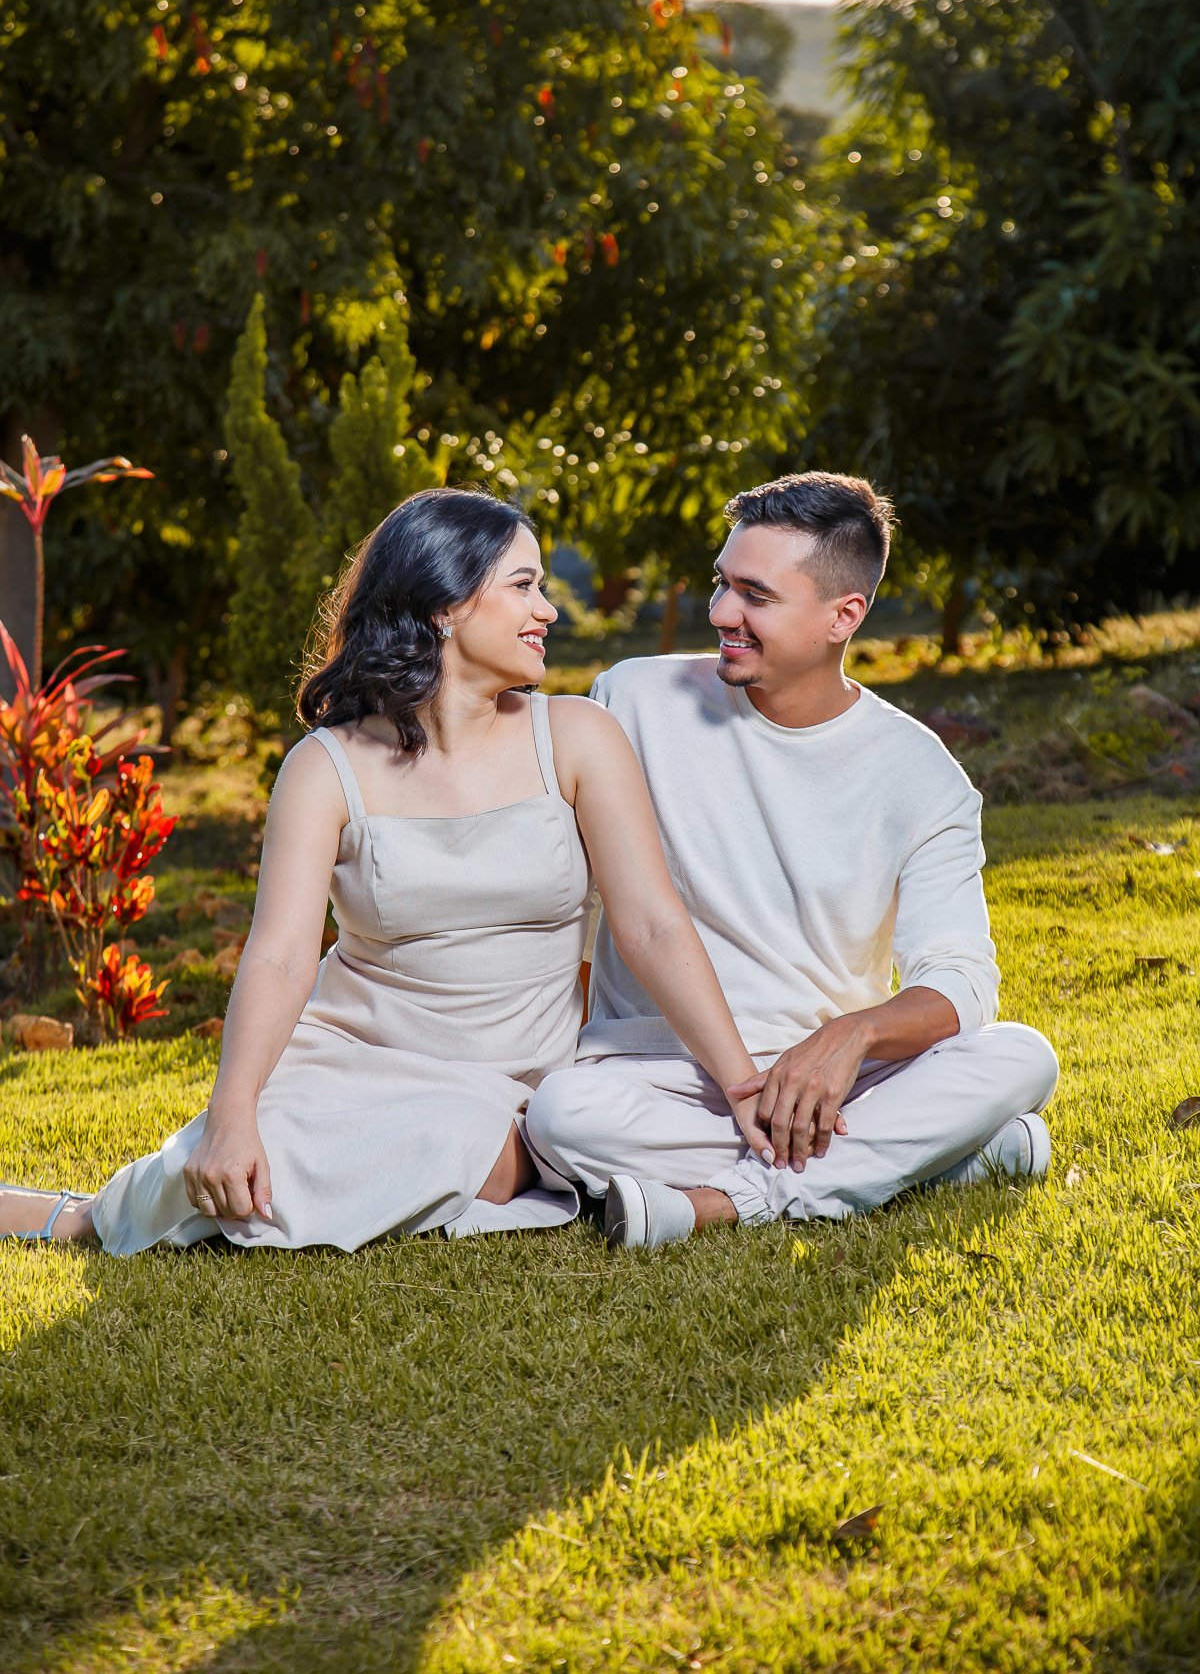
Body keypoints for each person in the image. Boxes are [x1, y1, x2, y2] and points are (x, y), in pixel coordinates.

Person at [0, 488, 770, 1252]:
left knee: (448, 1142)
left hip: (514, 1090)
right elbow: (280, 956)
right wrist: (234, 1113)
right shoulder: (325, 767)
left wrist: (743, 1088)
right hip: (350, 1059)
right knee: (238, 1165)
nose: (547, 610)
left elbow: (652, 926)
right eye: (523, 586)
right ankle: (81, 1217)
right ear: (445, 607)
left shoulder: (577, 736)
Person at [525, 472, 1059, 1247]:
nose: (721, 612)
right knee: (563, 1116)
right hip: (663, 1069)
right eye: (722, 583)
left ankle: (731, 1200)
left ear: (844, 615)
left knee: (1021, 1056)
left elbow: (961, 980)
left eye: (755, 596)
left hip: (839, 1083)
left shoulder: (922, 775)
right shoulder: (633, 701)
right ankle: (924, 1160)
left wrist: (853, 1036)